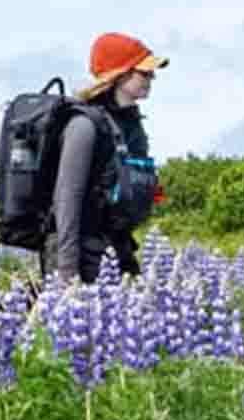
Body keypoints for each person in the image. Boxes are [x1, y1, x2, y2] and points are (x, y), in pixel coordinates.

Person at [44, 31, 167, 282]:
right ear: (120, 75)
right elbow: (67, 199)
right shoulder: (84, 125)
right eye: (143, 72)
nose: (151, 77)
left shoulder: (130, 125)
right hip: (82, 253)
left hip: (118, 247)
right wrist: (67, 272)